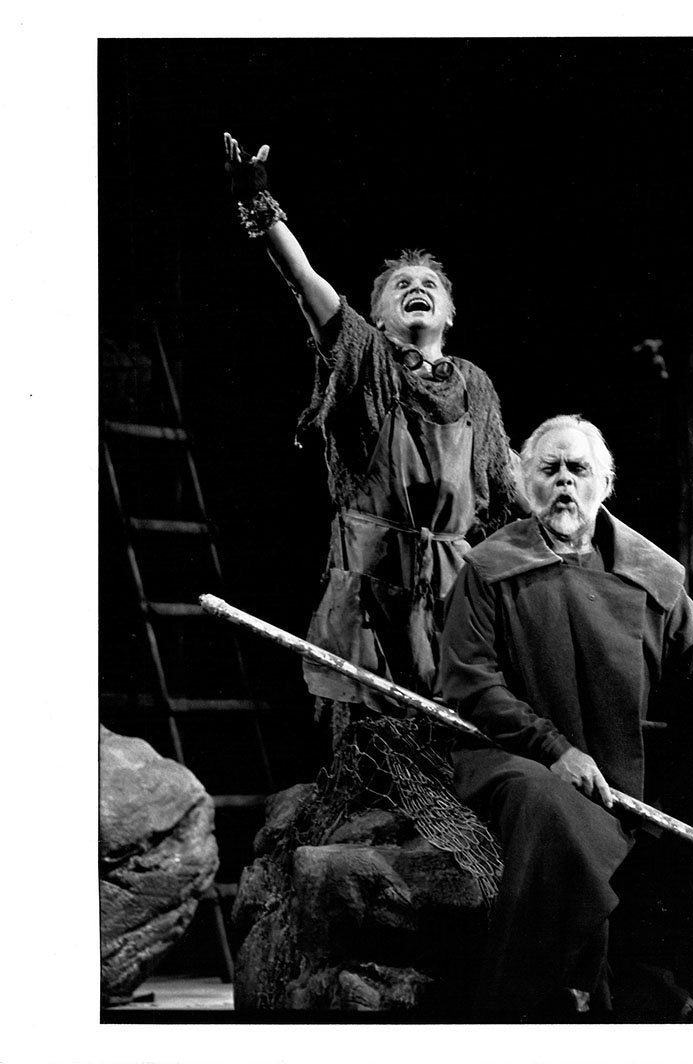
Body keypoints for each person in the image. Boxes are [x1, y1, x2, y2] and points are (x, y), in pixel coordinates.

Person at [439, 413, 693, 1020]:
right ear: (524, 483)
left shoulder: (649, 572)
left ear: (604, 484)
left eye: (578, 469)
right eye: (549, 468)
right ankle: (540, 1004)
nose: (565, 481)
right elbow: (470, 682)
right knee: (552, 810)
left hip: (621, 764)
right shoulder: (487, 568)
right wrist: (553, 749)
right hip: (515, 754)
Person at [223, 134, 522, 743]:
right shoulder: (365, 356)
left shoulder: (475, 385)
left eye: (430, 283)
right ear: (378, 314)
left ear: (450, 314)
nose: (417, 288)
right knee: (372, 741)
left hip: (451, 593)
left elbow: (510, 482)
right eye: (400, 284)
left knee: (451, 742)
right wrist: (261, 206)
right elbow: (304, 282)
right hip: (371, 589)